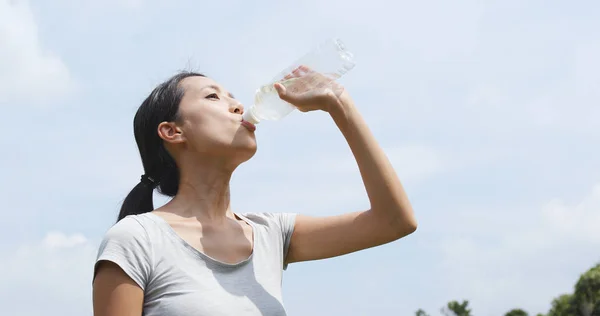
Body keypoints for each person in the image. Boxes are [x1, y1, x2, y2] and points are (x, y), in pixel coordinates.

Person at [92, 66, 417, 316]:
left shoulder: (270, 234)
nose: (237, 106)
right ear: (172, 131)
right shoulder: (137, 239)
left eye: (233, 96)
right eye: (213, 96)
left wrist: (339, 105)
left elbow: (395, 220)